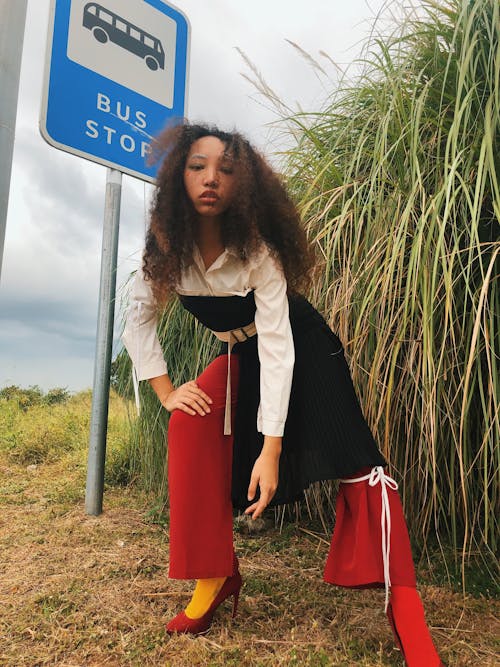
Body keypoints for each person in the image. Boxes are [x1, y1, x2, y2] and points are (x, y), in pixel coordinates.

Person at [122, 122, 444, 666]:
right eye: (198, 166)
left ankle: (404, 607)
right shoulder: (165, 250)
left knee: (355, 459)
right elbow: (138, 317)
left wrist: (270, 450)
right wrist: (165, 390)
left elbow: (278, 347)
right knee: (189, 422)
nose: (210, 179)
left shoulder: (258, 251)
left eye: (226, 169)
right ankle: (214, 578)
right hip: (238, 355)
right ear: (178, 178)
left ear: (242, 186)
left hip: (301, 346)